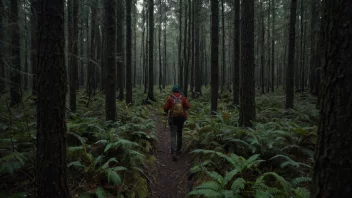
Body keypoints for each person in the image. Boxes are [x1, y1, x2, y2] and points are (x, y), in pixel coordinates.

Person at [163, 85, 190, 161]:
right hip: (181, 118)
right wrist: (183, 108)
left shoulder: (170, 98)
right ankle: (179, 149)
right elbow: (188, 106)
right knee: (179, 133)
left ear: (173, 91)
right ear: (178, 91)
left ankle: (173, 152)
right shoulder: (183, 98)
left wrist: (167, 111)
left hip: (173, 118)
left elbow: (165, 108)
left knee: (173, 135)